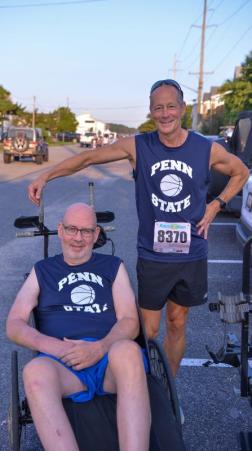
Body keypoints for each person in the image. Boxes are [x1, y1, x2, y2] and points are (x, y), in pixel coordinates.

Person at [28, 79, 249, 382]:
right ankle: (143, 386)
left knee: (177, 321)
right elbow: (89, 157)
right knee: (149, 329)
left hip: (191, 252)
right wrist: (47, 175)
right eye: (158, 107)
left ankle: (168, 392)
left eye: (171, 106)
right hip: (153, 254)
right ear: (150, 111)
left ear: (182, 109)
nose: (165, 113)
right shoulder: (139, 146)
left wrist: (216, 205)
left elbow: (241, 171)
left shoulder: (204, 148)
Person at [6, 203, 151, 451]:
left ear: (96, 235)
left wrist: (101, 347)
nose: (78, 238)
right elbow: (14, 323)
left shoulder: (113, 266)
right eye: (72, 229)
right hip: (63, 364)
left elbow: (129, 320)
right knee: (34, 372)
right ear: (61, 230)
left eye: (86, 231)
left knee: (128, 352)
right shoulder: (42, 270)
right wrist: (55, 348)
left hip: (109, 362)